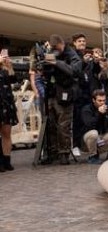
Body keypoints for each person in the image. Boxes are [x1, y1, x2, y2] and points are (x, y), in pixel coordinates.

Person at [41, 34, 82, 165]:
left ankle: (64, 153)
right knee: (50, 125)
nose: (56, 50)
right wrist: (45, 64)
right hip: (52, 94)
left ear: (62, 44)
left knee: (63, 125)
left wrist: (56, 62)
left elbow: (74, 71)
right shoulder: (52, 52)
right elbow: (46, 72)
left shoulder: (72, 54)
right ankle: (52, 153)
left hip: (65, 94)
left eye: (57, 48)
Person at [80, 89, 108, 164]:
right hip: (86, 141)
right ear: (94, 100)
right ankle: (92, 156)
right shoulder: (86, 109)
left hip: (100, 138)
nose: (102, 103)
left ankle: (97, 153)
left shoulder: (105, 109)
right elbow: (90, 125)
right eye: (99, 101)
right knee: (94, 133)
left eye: (104, 100)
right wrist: (99, 113)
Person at [0, 49, 17, 172]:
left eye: (7, 56)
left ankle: (7, 160)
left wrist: (10, 67)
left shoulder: (6, 69)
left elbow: (13, 81)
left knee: (6, 133)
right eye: (3, 56)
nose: (5, 58)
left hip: (6, 103)